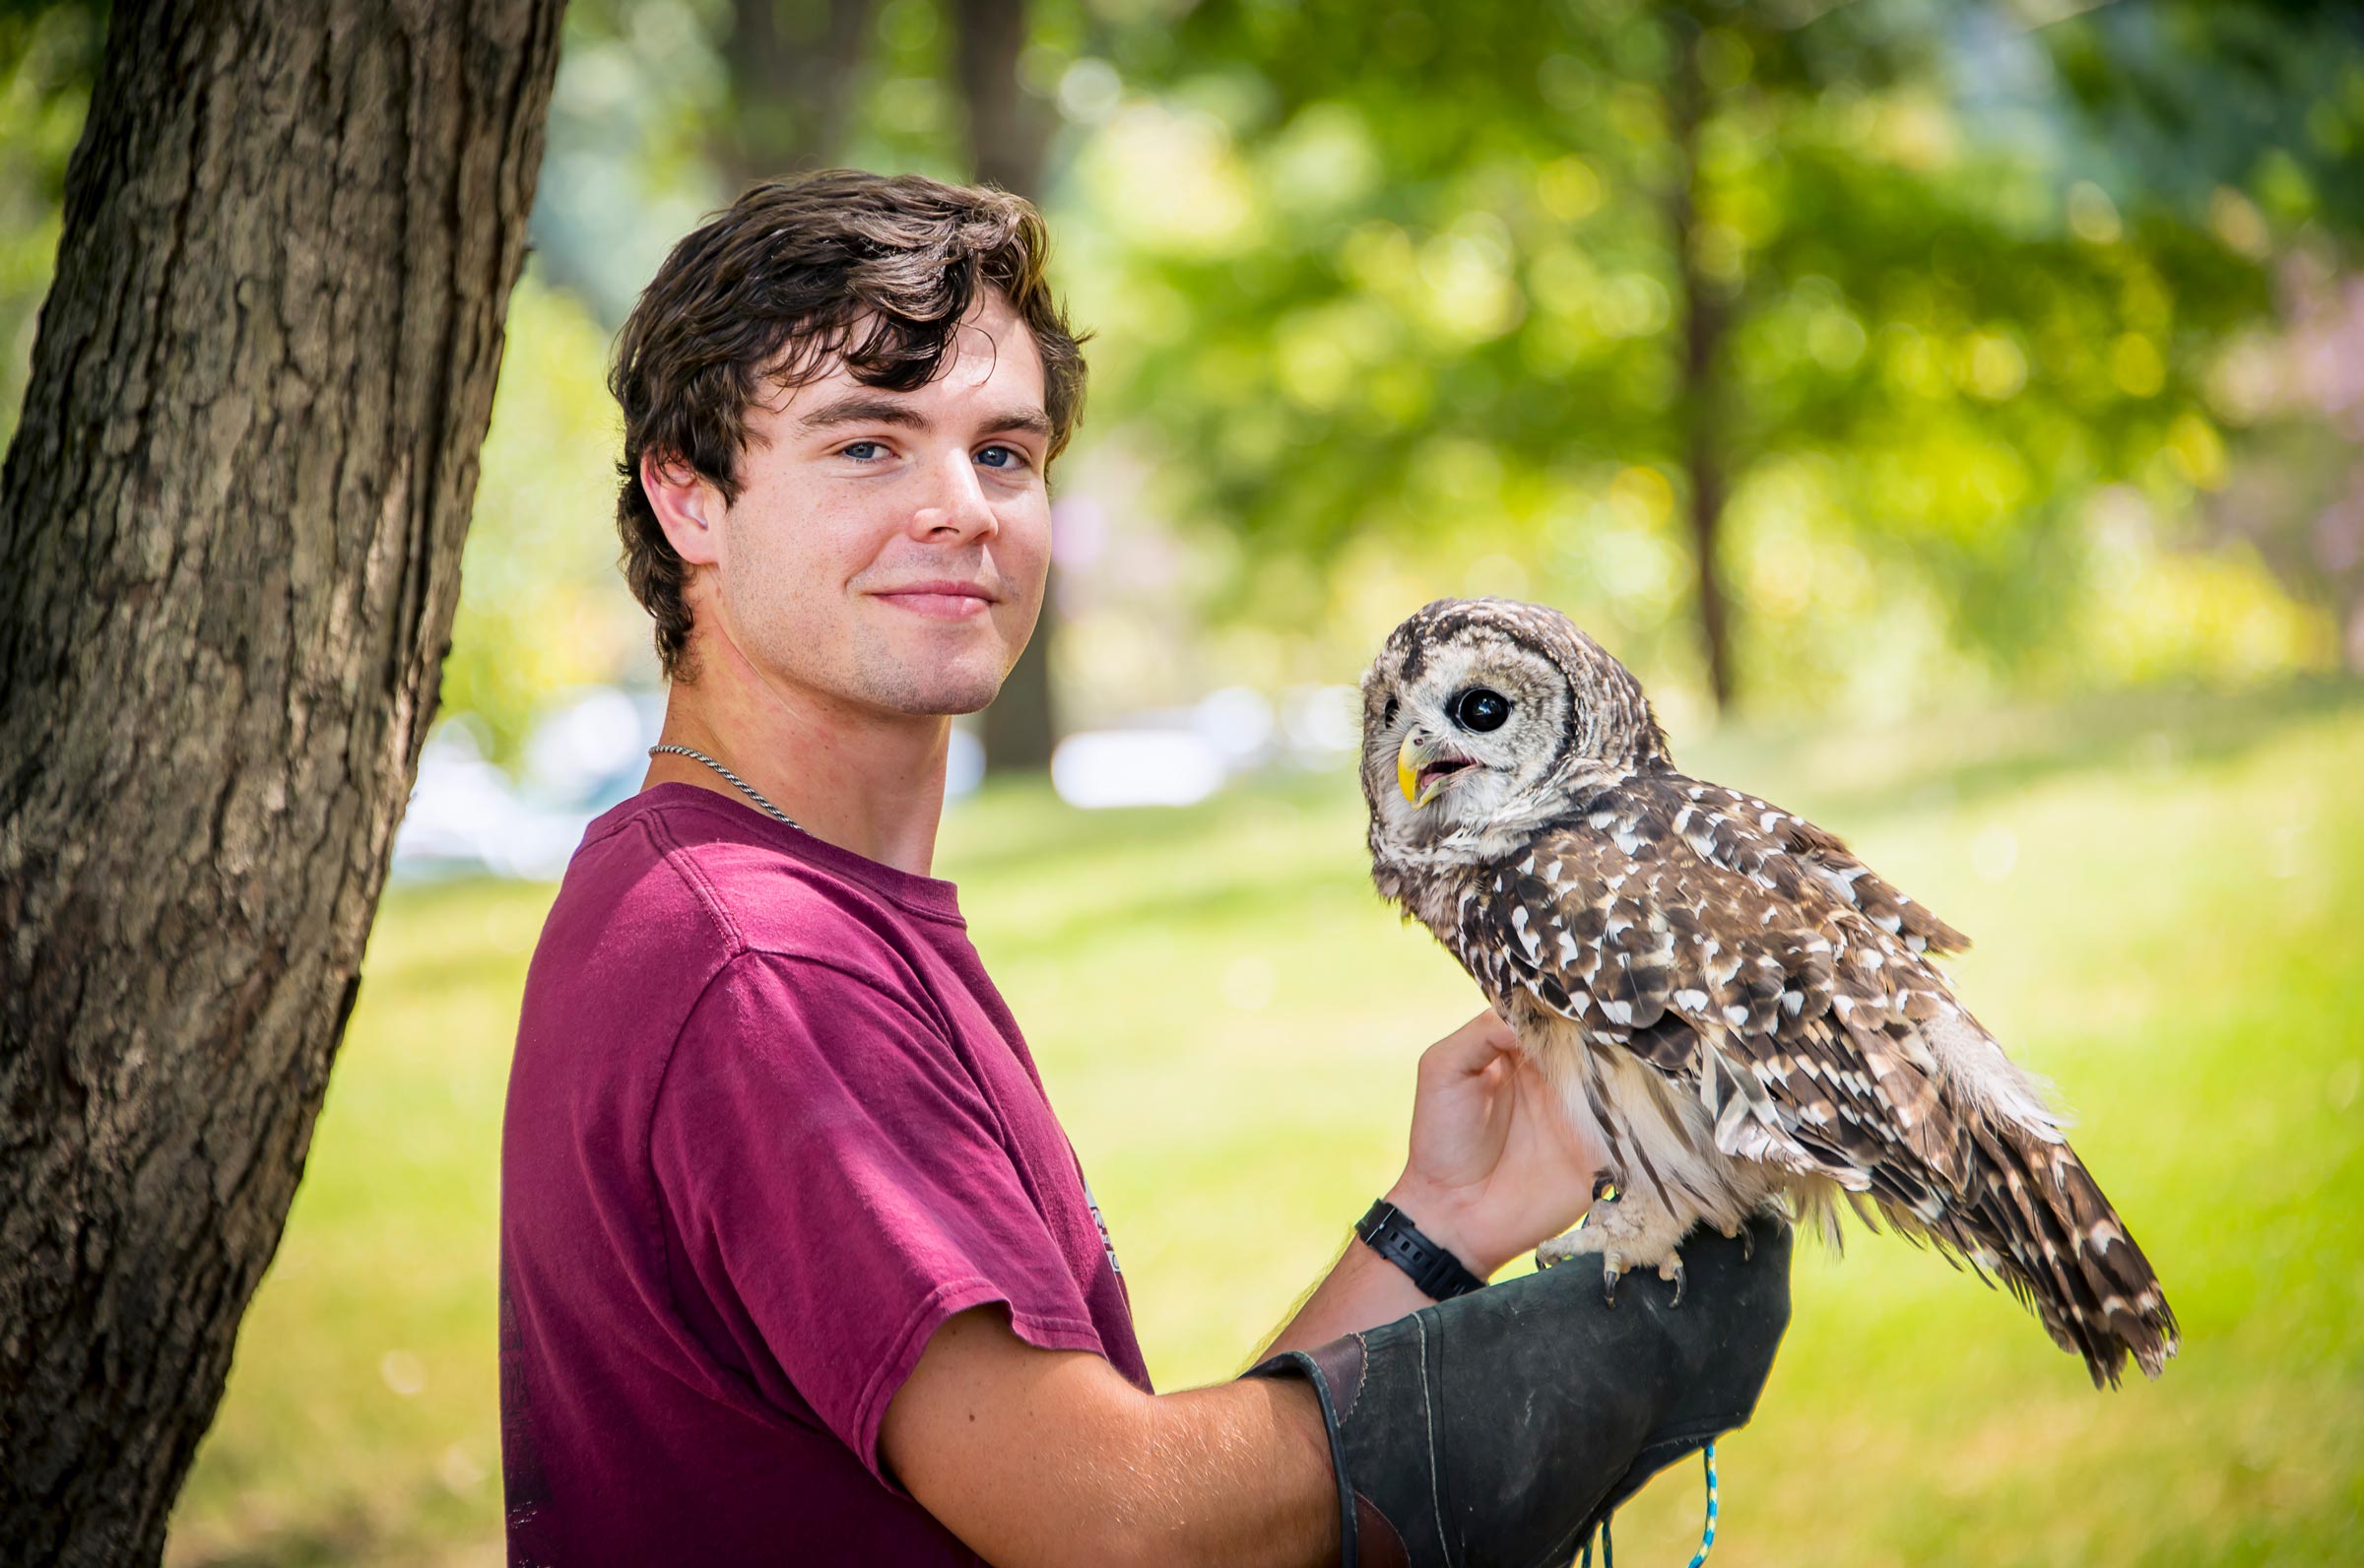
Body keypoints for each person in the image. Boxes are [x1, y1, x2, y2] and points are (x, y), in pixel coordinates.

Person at [498, 169, 1791, 1568]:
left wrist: (1442, 1221)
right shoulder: (765, 967)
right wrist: (1524, 1380)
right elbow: (1121, 1532)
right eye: (868, 446)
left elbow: (1112, 1498)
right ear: (687, 500)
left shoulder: (749, 902)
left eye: (1004, 453)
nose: (961, 509)